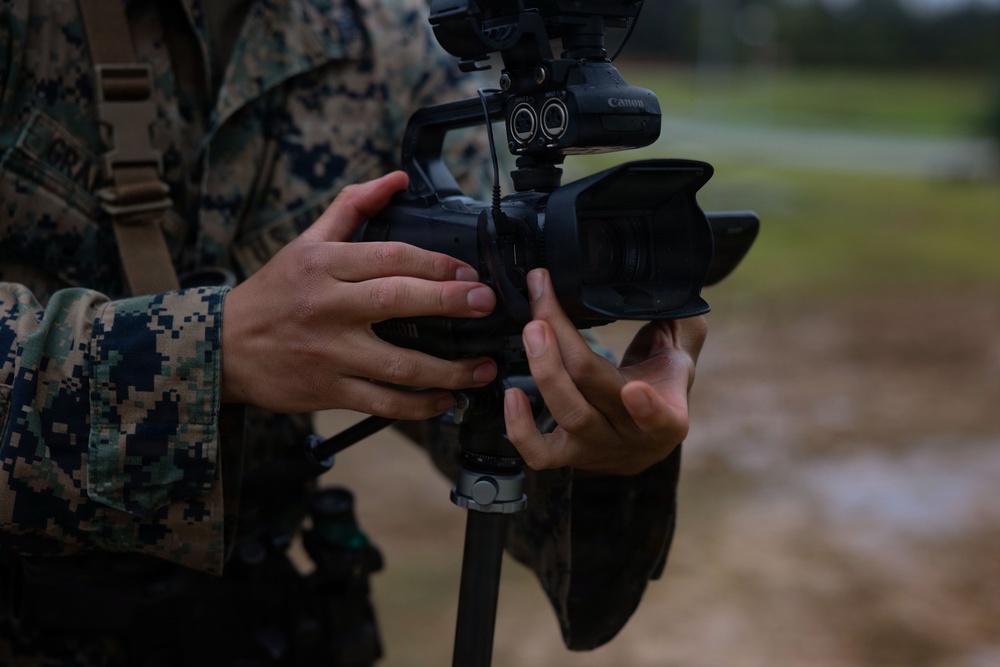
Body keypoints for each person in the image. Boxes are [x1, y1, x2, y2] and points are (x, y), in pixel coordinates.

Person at [0, 0, 707, 664]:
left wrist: (599, 426)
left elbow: (487, 320)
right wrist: (210, 352)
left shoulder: (383, 43)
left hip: (259, 621)